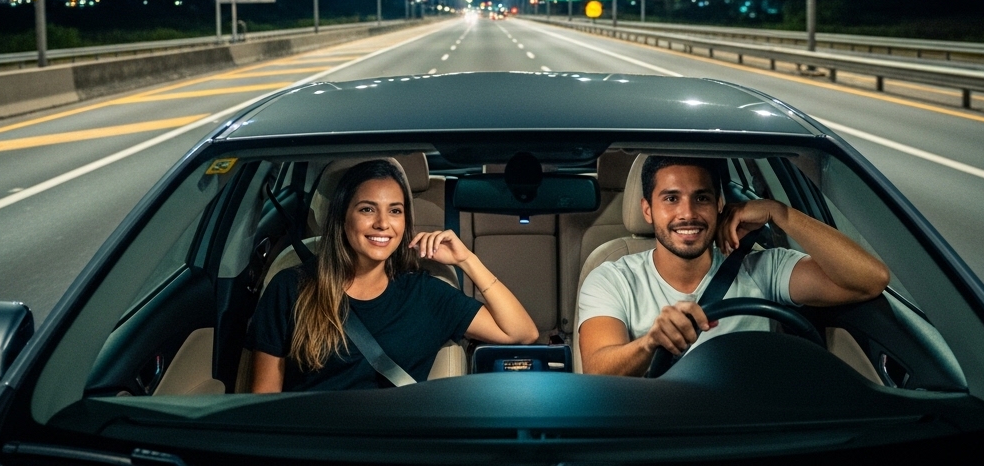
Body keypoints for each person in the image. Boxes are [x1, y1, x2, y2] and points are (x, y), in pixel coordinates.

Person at [577, 156, 890, 376]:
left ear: (719, 205)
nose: (688, 214)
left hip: (747, 430)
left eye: (701, 198)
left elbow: (870, 280)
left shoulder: (763, 268)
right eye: (671, 199)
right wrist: (650, 342)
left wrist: (781, 213)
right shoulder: (612, 278)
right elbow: (598, 370)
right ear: (647, 210)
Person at [251, 159, 537, 392]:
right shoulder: (291, 288)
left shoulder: (425, 294)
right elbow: (264, 401)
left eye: (395, 211)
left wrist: (467, 260)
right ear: (342, 216)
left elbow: (522, 332)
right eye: (367, 209)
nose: (382, 224)